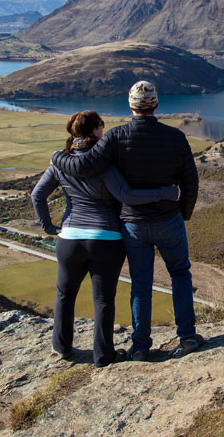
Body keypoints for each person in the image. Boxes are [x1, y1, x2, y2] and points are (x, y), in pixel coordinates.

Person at [50, 80, 202, 361]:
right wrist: (183, 213)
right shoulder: (176, 137)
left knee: (141, 283)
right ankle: (188, 336)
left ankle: (141, 347)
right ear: (155, 105)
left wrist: (57, 157)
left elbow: (84, 166)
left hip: (133, 225)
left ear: (130, 106)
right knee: (180, 274)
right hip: (169, 220)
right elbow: (190, 182)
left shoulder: (115, 137)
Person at [31, 110, 179, 368]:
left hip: (69, 238)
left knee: (65, 294)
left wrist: (49, 227)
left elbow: (37, 196)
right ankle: (103, 355)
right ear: (95, 131)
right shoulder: (105, 163)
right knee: (103, 300)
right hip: (106, 240)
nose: (104, 131)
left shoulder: (60, 163)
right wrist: (164, 193)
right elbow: (127, 195)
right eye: (102, 127)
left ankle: (61, 347)